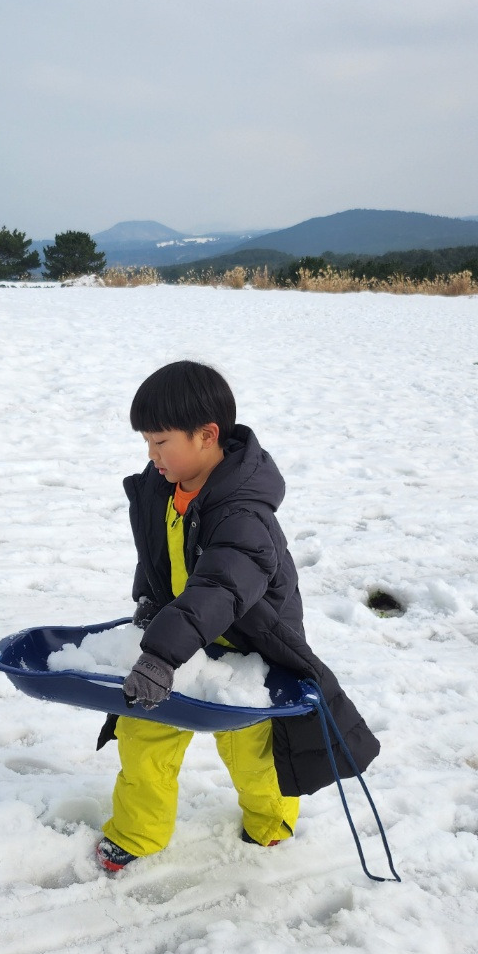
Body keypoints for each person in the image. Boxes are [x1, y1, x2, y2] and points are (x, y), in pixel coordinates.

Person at [96, 360, 379, 873]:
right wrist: (149, 604)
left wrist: (161, 654)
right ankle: (137, 834)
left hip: (250, 648)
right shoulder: (164, 489)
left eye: (161, 442)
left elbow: (221, 588)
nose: (151, 455)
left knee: (252, 752)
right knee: (142, 737)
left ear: (206, 436)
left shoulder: (243, 515)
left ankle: (270, 823)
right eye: (146, 443)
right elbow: (159, 561)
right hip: (186, 641)